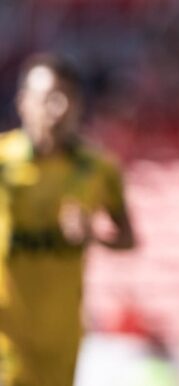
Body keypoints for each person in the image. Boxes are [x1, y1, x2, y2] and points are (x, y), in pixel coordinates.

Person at [0, 53, 136, 386]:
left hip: (60, 336)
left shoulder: (98, 169)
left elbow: (128, 238)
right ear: (23, 103)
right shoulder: (4, 162)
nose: (57, 109)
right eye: (48, 98)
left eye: (66, 98)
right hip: (6, 332)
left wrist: (93, 234)